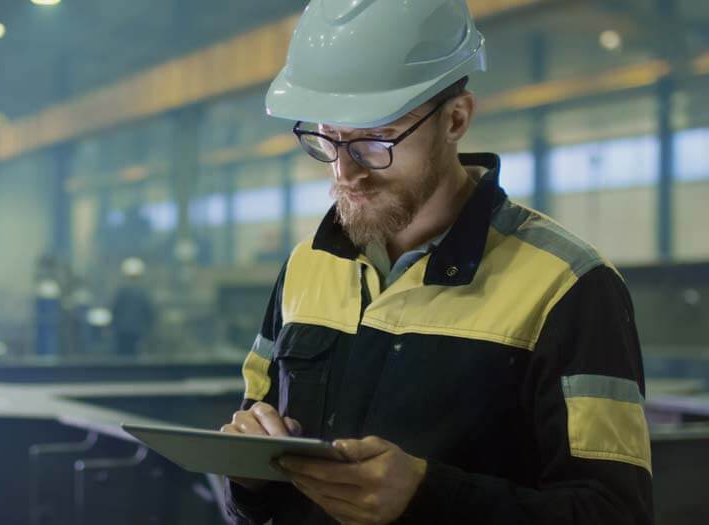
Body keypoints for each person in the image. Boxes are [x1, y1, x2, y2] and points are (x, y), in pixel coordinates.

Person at [220, 1, 653, 523]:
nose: (345, 173)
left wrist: (430, 497)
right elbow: (256, 457)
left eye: (375, 140)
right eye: (326, 139)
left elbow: (615, 513)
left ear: (456, 119)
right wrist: (246, 479)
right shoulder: (306, 267)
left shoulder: (567, 286)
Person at [111, 257, 155, 356]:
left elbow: (115, 310)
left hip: (121, 330)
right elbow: (149, 312)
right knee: (134, 357)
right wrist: (148, 328)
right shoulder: (143, 293)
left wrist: (113, 326)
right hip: (138, 331)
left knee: (122, 357)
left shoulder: (121, 292)